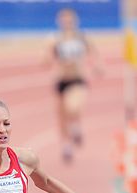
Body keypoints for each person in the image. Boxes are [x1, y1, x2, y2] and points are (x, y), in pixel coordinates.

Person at [44, 9, 102, 162]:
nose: (67, 23)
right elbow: (46, 60)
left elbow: (95, 53)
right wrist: (49, 56)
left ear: (75, 21)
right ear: (60, 22)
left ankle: (75, 127)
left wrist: (97, 66)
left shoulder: (83, 37)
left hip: (78, 79)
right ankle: (66, 146)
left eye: (70, 20)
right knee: (62, 116)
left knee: (73, 107)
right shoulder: (55, 39)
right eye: (64, 20)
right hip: (61, 80)